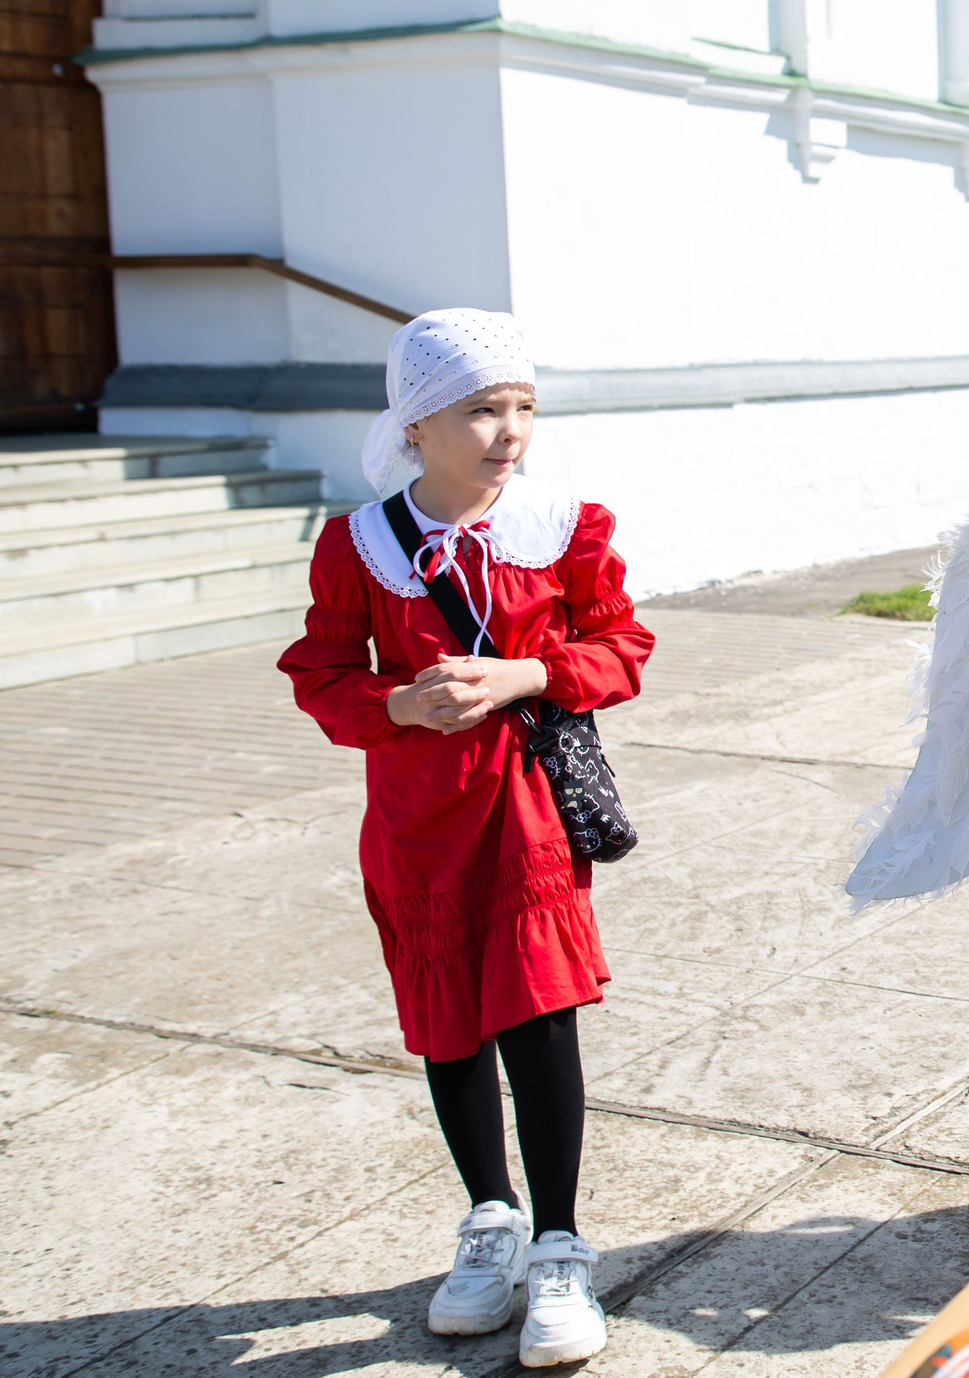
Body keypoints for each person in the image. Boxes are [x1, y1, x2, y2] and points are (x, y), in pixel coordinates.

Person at [279, 310, 653, 1365]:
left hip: (526, 810)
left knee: (538, 1017)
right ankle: (491, 1218)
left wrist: (529, 671)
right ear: (415, 424)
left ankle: (560, 1244)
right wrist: (399, 704)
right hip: (415, 819)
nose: (510, 430)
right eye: (482, 410)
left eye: (523, 407)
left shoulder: (563, 525)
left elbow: (622, 644)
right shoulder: (359, 544)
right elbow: (320, 671)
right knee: (448, 1026)